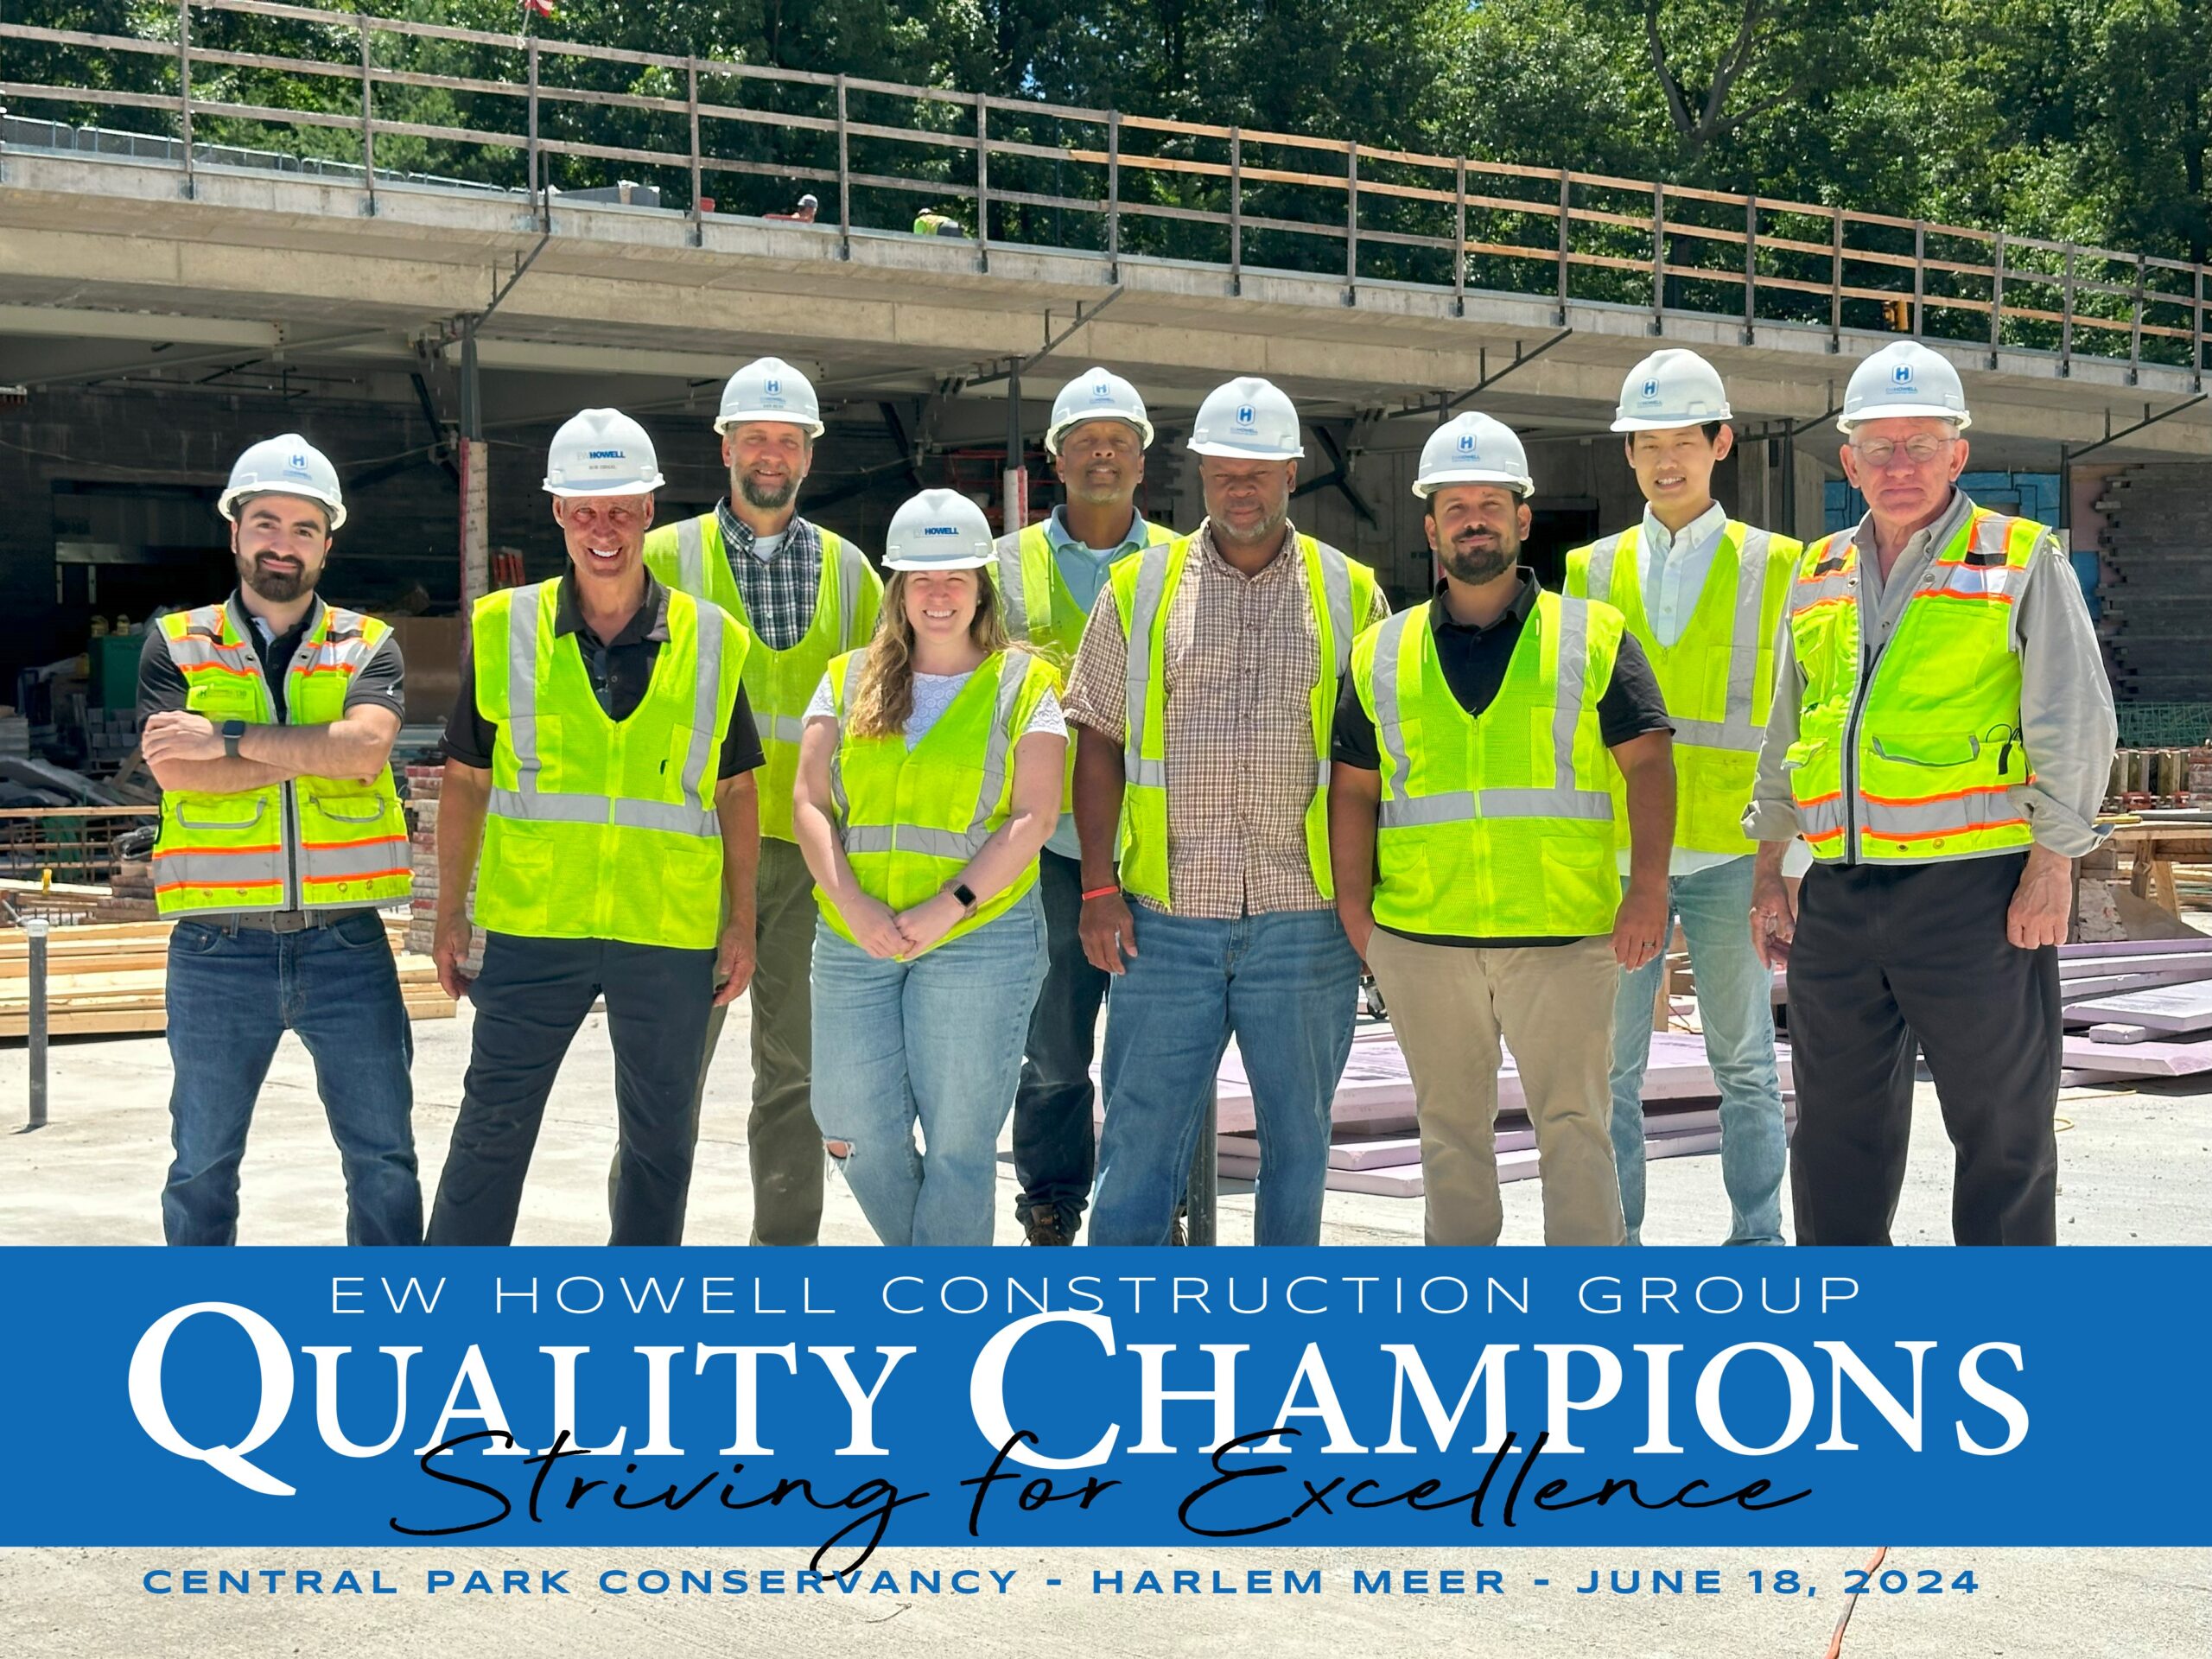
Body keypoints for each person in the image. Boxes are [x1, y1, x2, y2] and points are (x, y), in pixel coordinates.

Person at [1747, 340, 2118, 1246]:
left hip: (1976, 894)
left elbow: (2074, 719)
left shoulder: (2018, 557)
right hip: (1838, 892)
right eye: (1879, 447)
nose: (1899, 465)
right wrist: (1769, 867)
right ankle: (1849, 1310)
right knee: (1832, 1136)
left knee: (2001, 1132)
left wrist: (2053, 868)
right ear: (1849, 463)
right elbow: (1790, 725)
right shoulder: (1817, 571)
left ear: (1958, 454)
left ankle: (2000, 1319)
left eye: (1920, 445)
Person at [1332, 413, 1675, 1247]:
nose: (1474, 520)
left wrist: (1648, 891)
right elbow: (1353, 791)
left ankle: (1585, 1303)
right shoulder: (1381, 651)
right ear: (1431, 527)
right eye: (1455, 507)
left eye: (1490, 504)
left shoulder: (1592, 635)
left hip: (1563, 934)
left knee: (1577, 1128)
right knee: (1449, 1134)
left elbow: (1650, 765)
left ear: (1523, 519)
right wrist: (1355, 911)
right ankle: (1464, 1301)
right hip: (1424, 936)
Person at [1065, 376, 1389, 1248]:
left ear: (1291, 474)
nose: (1239, 490)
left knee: (1300, 1147)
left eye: (1256, 473)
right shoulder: (1139, 587)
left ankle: (1280, 1318)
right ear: (1198, 474)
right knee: (1137, 1144)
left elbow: (1377, 764)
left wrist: (1367, 910)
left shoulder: (1350, 591)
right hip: (1164, 922)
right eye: (1221, 474)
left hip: (1305, 922)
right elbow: (1096, 738)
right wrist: (1096, 887)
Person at [427, 410, 763, 1246]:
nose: (602, 530)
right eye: (584, 510)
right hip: (535, 923)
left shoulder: (712, 640)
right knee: (492, 1126)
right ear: (557, 513)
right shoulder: (504, 628)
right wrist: (448, 911)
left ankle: (637, 1300)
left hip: (666, 927)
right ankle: (451, 1296)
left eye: (619, 509)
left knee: (661, 1143)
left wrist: (742, 921)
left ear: (649, 509)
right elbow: (466, 781)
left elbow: (736, 791)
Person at [138, 435, 418, 1246]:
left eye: (304, 529)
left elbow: (365, 751)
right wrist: (316, 752)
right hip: (215, 951)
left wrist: (224, 738)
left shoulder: (368, 643)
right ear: (235, 531)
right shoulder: (177, 640)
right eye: (266, 523)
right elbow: (176, 772)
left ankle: (390, 1310)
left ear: (327, 545)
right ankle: (200, 1313)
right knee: (201, 1165)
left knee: (383, 1161)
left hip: (346, 945)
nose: (282, 544)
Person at [1563, 349, 1803, 1246]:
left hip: (1735, 856)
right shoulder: (1587, 571)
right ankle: (1617, 1246)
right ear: (1627, 453)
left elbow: (1802, 715)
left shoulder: (1779, 566)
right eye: (1649, 444)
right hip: (1620, 860)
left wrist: (1787, 860)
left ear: (1720, 445)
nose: (1667, 462)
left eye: (1684, 443)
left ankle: (1757, 1241)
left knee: (1745, 1064)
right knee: (1609, 1073)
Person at [641, 357, 881, 1246]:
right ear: (725, 449)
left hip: (814, 864)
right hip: (692, 856)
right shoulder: (662, 559)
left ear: (808, 455)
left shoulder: (854, 575)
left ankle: (783, 1263)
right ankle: (641, 1255)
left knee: (797, 1078)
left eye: (787, 440)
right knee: (665, 1074)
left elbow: (882, 716)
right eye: (755, 439)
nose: (770, 454)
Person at [793, 490, 1064, 1246]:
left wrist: (949, 905)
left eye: (954, 578)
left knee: (956, 1147)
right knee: (849, 1127)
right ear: (899, 589)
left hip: (979, 937)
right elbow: (809, 802)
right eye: (921, 578)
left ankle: (940, 1301)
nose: (938, 595)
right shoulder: (846, 677)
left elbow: (1034, 817)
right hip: (857, 936)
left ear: (981, 587)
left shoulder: (1024, 685)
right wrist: (855, 907)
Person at [992, 367, 1176, 1245]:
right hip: (1045, 845)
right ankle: (1051, 1195)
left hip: (1160, 841)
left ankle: (1159, 1197)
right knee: (1054, 1042)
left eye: (1119, 442)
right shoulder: (1002, 566)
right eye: (1085, 442)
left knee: (1160, 1045)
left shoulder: (1184, 561)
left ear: (1142, 461)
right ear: (1055, 460)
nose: (1103, 455)